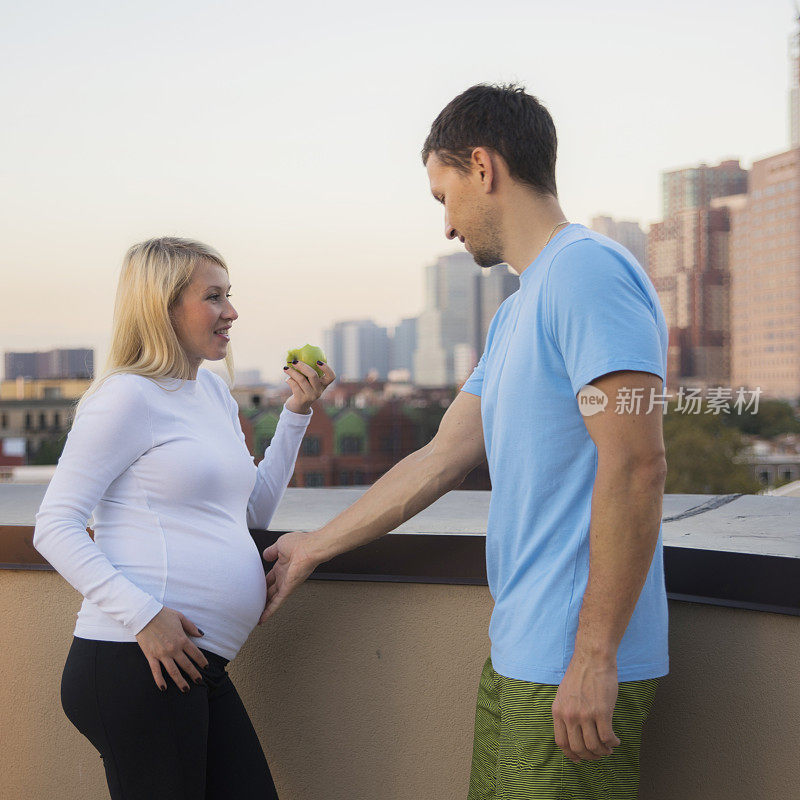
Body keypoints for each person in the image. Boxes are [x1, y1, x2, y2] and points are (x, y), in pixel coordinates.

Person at [259, 83, 669, 799]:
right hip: (522, 650)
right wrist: (310, 546)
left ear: (483, 168)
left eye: (442, 196)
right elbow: (442, 455)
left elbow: (637, 464)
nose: (446, 225)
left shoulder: (586, 273)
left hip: (573, 663)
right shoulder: (516, 314)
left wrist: (595, 657)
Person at [33, 237, 335, 800]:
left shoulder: (213, 396)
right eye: (214, 297)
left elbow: (247, 513)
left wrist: (296, 415)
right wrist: (145, 617)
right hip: (136, 660)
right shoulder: (126, 397)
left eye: (230, 295)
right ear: (164, 307)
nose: (232, 312)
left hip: (191, 667)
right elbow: (54, 526)